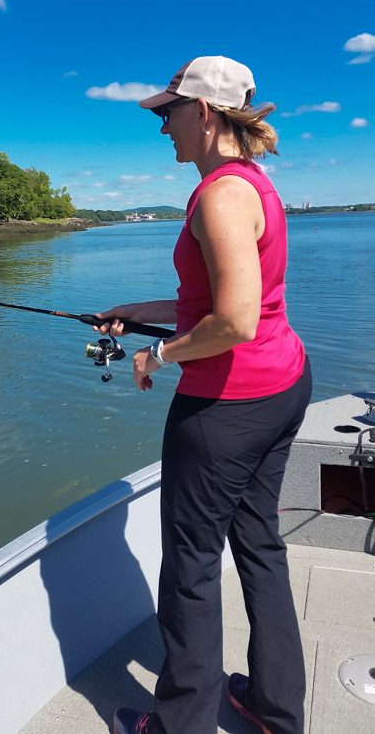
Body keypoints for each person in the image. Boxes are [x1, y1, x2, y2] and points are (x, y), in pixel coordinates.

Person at [95, 56, 312, 734]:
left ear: (205, 114)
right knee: (259, 545)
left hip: (227, 407)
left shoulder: (218, 194)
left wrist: (156, 355)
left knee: (190, 567)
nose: (162, 128)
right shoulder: (253, 184)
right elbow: (215, 300)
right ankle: (277, 709)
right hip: (283, 383)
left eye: (168, 113)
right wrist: (137, 307)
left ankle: (178, 723)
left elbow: (232, 322)